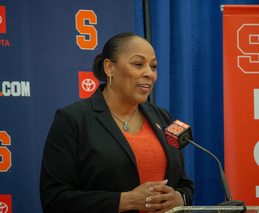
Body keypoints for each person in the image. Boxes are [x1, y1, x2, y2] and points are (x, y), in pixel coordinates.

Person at [40, 32, 194, 213]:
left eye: (153, 66)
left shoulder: (162, 117)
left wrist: (179, 198)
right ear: (109, 68)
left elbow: (184, 184)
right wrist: (126, 201)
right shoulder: (73, 119)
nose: (149, 73)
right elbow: (55, 200)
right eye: (138, 64)